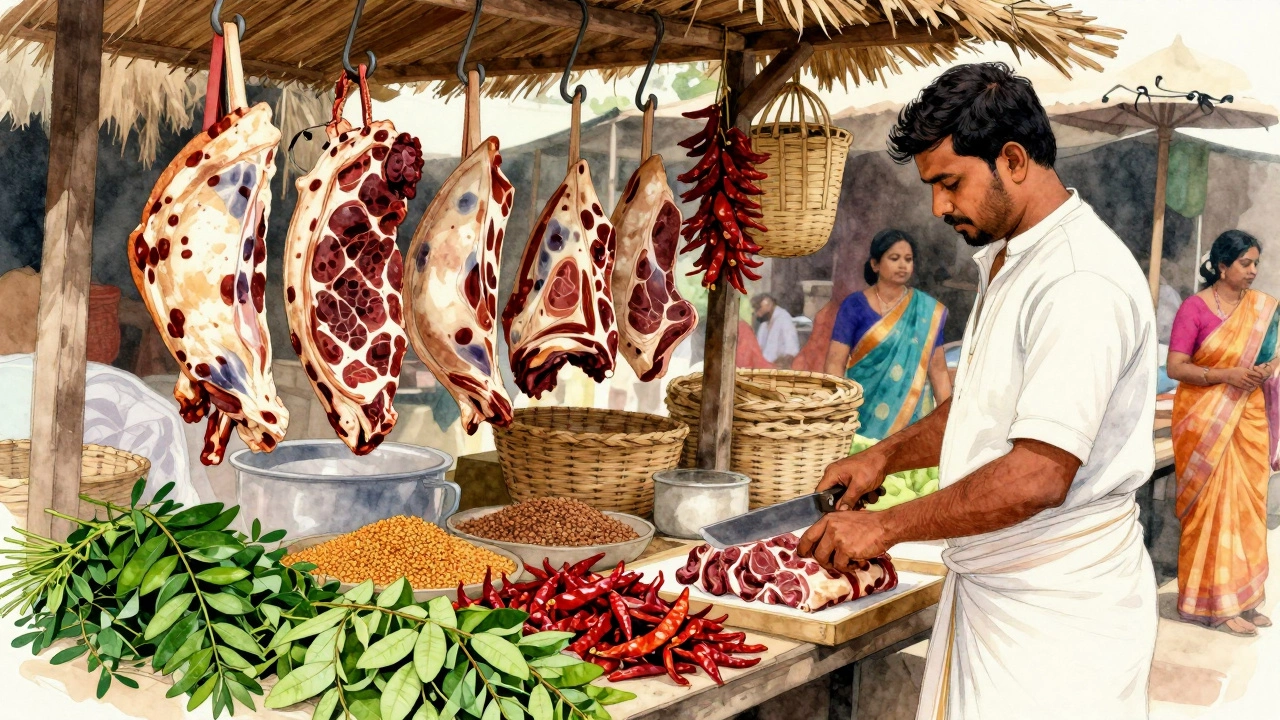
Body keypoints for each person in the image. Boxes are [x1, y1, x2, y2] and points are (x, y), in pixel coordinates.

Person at [796, 62, 1158, 720]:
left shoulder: (1079, 281)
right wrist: (884, 457)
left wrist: (885, 526)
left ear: (1013, 159)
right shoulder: (1018, 257)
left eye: (949, 183)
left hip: (1056, 621)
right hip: (1004, 597)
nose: (937, 208)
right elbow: (981, 408)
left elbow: (1037, 475)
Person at [1165, 230, 1278, 637]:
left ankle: (1243, 601)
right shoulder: (1194, 309)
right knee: (1213, 509)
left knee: (1247, 508)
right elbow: (1176, 367)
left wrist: (1264, 370)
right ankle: (1210, 603)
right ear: (1221, 265)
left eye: (1256, 263)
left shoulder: (1263, 309)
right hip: (1205, 418)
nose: (1253, 271)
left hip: (1247, 418)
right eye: (1246, 263)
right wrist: (1224, 375)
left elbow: (1272, 356)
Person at [823, 229, 952, 440]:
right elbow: (835, 363)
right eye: (894, 258)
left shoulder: (926, 311)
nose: (903, 265)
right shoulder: (854, 306)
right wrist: (836, 412)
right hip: (860, 416)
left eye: (908, 259)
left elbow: (938, 371)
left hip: (910, 421)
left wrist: (947, 421)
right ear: (875, 264)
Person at [751, 294, 798, 368]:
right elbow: (758, 350)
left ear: (768, 303)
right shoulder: (763, 325)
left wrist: (780, 364)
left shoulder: (784, 318)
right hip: (764, 369)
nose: (757, 314)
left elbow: (792, 350)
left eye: (758, 308)